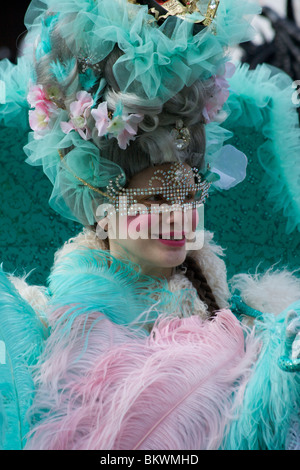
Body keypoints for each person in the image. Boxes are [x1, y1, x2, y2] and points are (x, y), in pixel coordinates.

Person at [0, 0, 299, 451]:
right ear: (104, 200)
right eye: (158, 198)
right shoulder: (75, 317)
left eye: (191, 193)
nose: (180, 217)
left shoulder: (223, 295)